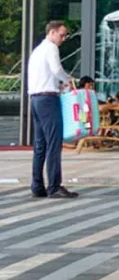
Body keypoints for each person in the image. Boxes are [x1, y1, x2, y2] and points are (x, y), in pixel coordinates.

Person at [28, 21, 78, 199]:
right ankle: (55, 186)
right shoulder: (51, 48)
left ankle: (37, 185)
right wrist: (68, 80)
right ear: (52, 32)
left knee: (40, 144)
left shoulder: (37, 50)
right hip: (48, 99)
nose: (63, 39)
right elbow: (57, 69)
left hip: (35, 98)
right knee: (54, 143)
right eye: (61, 35)